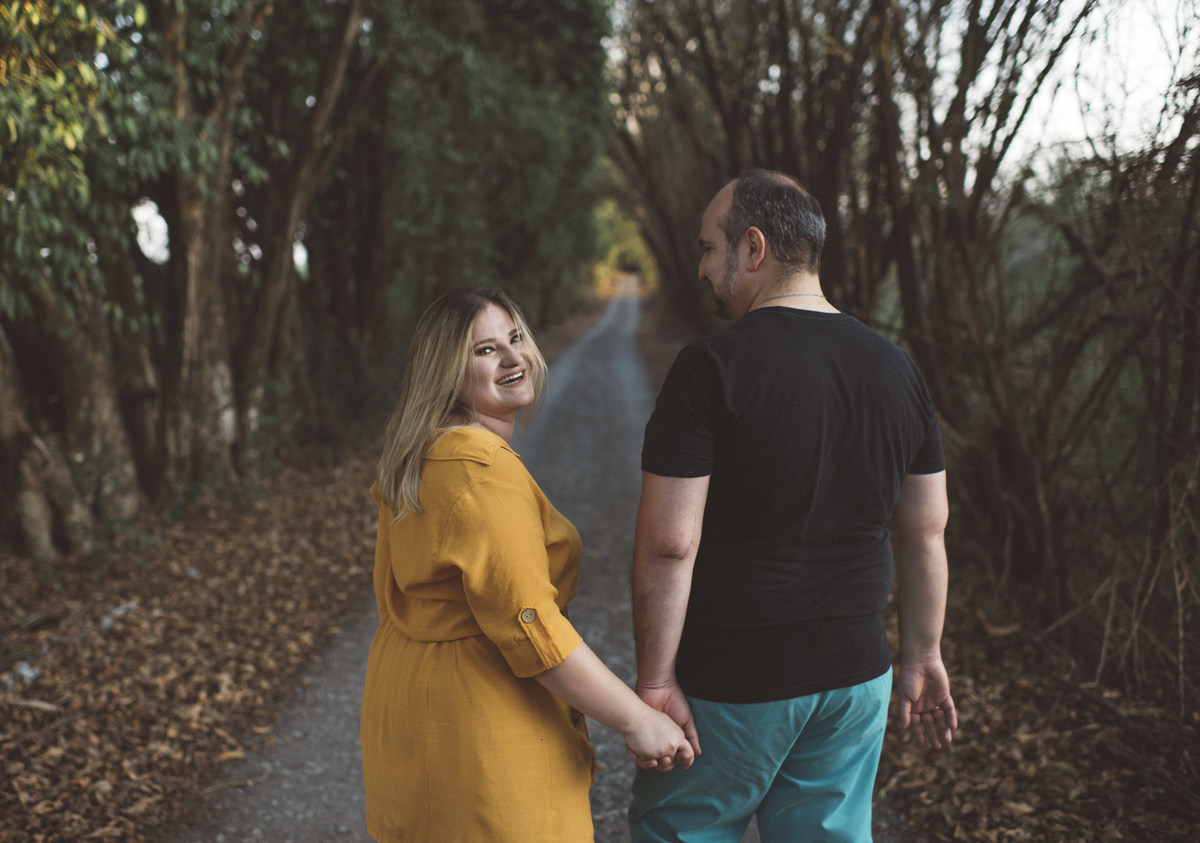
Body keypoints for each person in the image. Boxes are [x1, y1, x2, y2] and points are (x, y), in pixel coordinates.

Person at [628, 170, 958, 842]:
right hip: (854, 677)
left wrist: (656, 680)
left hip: (732, 680)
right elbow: (926, 530)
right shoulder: (898, 369)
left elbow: (670, 542)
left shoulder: (710, 368)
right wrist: (922, 653)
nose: (700, 267)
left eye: (707, 248)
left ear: (753, 247)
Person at [360, 287, 691, 842]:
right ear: (444, 371)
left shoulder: (425, 451)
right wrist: (637, 719)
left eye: (515, 338)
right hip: (480, 721)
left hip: (411, 708)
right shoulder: (478, 467)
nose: (514, 358)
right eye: (485, 350)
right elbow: (531, 627)